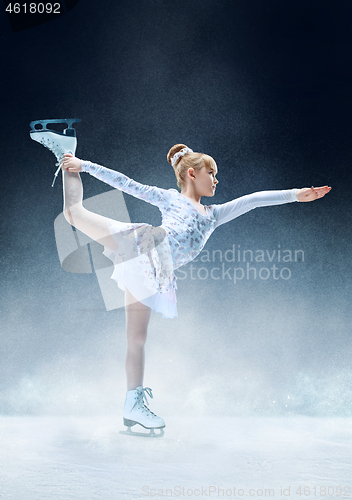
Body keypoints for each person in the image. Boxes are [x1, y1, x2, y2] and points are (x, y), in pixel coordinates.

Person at [32, 127, 331, 435]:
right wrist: (85, 166)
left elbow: (252, 200)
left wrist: (296, 195)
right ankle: (67, 153)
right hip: (143, 244)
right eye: (211, 173)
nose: (216, 179)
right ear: (192, 173)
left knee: (136, 339)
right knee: (73, 214)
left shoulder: (213, 214)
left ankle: (132, 405)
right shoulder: (170, 199)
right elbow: (126, 184)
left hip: (156, 270)